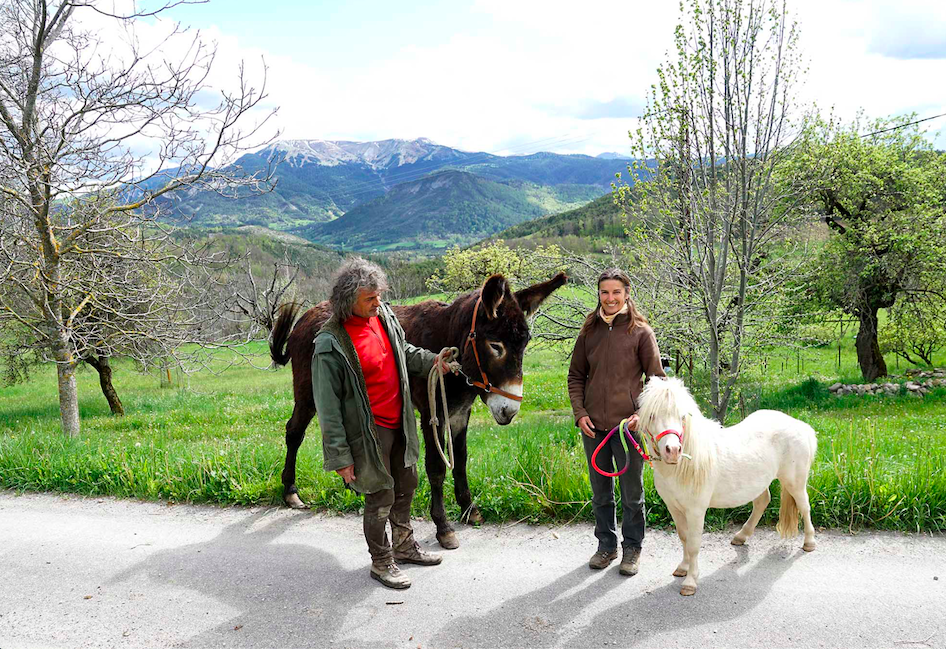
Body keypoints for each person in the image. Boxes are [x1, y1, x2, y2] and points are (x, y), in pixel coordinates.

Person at [312, 258, 449, 589]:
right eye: (370, 299)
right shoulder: (329, 343)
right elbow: (327, 408)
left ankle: (404, 547)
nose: (378, 303)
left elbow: (403, 352)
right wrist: (341, 458)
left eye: (379, 296)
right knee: (380, 496)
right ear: (348, 302)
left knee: (408, 484)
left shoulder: (382, 317)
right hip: (367, 433)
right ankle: (381, 561)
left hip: (399, 420)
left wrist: (434, 361)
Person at [567, 268, 666, 575]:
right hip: (594, 428)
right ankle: (606, 546)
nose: (610, 298)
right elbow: (575, 376)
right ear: (599, 295)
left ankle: (632, 549)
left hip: (628, 430)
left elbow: (658, 381)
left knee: (632, 495)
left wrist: (641, 415)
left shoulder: (640, 333)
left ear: (627, 293)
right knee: (600, 493)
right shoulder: (589, 332)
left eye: (616, 292)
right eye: (604, 293)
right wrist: (580, 413)